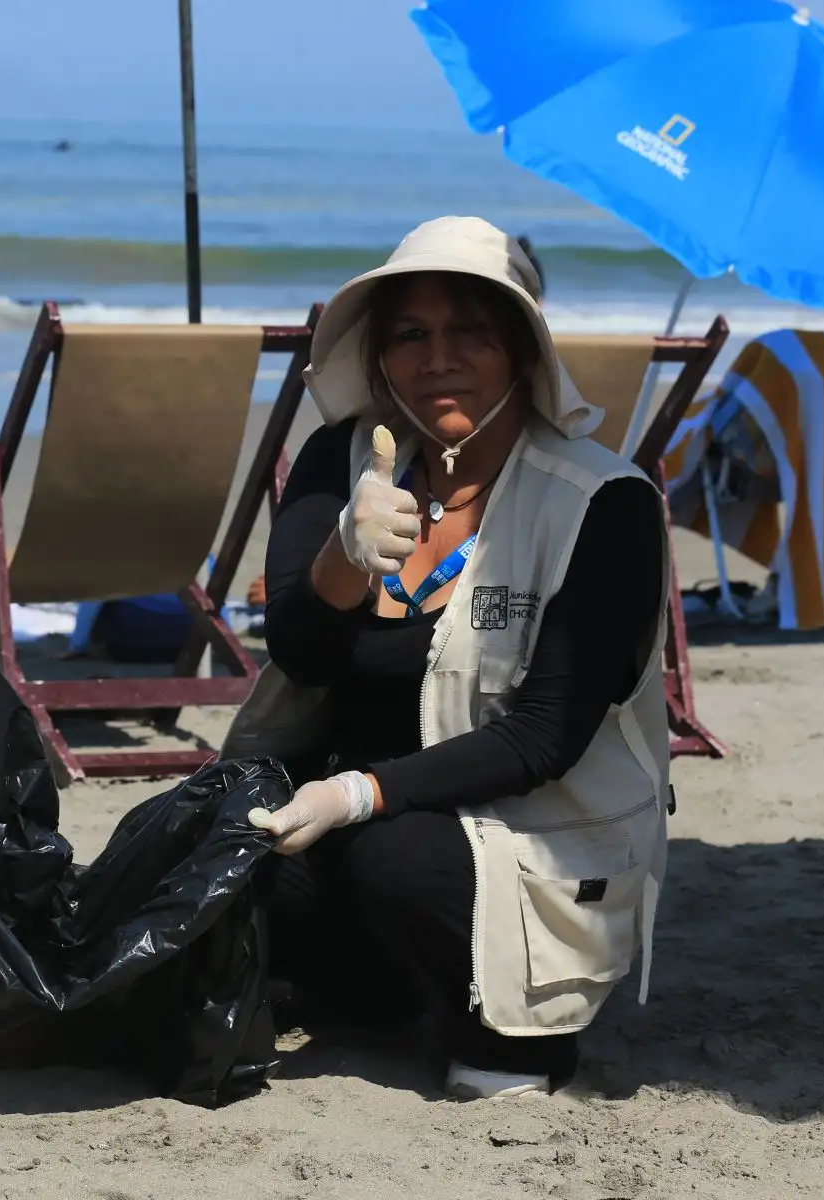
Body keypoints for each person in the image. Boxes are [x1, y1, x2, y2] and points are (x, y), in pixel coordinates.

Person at [230, 215, 669, 1100]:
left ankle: (518, 1043)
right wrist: (342, 560)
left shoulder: (604, 503)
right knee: (217, 852)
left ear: (521, 350)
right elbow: (302, 653)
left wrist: (359, 793)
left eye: (472, 330)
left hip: (526, 832)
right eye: (412, 334)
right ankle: (373, 989)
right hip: (350, 819)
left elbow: (543, 738)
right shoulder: (339, 460)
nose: (440, 358)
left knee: (388, 857)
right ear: (380, 356)